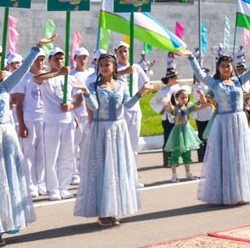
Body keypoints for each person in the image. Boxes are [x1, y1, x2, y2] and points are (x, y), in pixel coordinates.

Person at [71, 53, 155, 227]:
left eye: (106, 65)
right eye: (101, 65)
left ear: (114, 67)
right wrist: (86, 92)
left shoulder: (122, 85)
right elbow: (94, 107)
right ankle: (102, 211)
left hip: (118, 130)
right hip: (101, 129)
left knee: (116, 170)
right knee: (102, 170)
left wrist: (141, 92)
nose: (103, 67)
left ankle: (113, 209)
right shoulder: (94, 86)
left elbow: (127, 105)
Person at [185, 48, 250, 205]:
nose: (226, 68)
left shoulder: (239, 80)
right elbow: (199, 75)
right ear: (218, 68)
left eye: (228, 65)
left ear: (232, 67)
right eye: (223, 66)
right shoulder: (215, 83)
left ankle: (240, 191)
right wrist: (192, 58)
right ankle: (225, 193)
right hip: (224, 123)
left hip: (239, 122)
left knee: (239, 157)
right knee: (225, 157)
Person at [0, 35, 56, 247]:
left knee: (6, 182)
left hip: (6, 138)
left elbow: (24, 69)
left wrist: (37, 47)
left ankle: (3, 225)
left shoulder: (6, 86)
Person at [33, 47, 83, 201]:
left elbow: (79, 99)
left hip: (67, 120)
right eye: (56, 59)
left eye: (62, 59)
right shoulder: (47, 77)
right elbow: (37, 79)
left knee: (67, 155)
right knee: (52, 156)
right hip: (51, 121)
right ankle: (53, 189)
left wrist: (72, 107)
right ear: (50, 61)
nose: (60, 61)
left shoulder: (70, 78)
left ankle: (64, 186)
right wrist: (59, 73)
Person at [14, 49, 47, 198]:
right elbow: (19, 104)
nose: (39, 63)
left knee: (42, 153)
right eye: (36, 60)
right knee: (29, 153)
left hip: (44, 119)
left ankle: (41, 183)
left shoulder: (47, 78)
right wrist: (22, 124)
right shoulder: (24, 79)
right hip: (29, 119)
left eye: (42, 60)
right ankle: (30, 184)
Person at [114, 41, 149, 185]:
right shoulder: (114, 67)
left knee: (133, 146)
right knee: (119, 145)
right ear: (116, 53)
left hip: (134, 110)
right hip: (119, 111)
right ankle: (118, 177)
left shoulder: (136, 67)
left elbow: (146, 84)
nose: (123, 54)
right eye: (120, 51)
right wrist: (123, 72)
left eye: (126, 51)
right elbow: (107, 77)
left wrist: (142, 93)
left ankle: (132, 177)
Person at [163, 86, 203, 183]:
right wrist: (168, 102)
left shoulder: (188, 107)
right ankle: (174, 175)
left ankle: (188, 173)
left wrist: (202, 96)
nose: (184, 99)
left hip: (186, 131)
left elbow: (200, 106)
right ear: (177, 98)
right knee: (175, 153)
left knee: (187, 152)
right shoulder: (176, 108)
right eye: (182, 97)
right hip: (178, 132)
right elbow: (172, 109)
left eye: (186, 97)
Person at [69, 47, 93, 186]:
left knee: (86, 147)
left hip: (88, 114)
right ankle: (74, 173)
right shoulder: (72, 76)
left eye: (85, 57)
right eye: (80, 57)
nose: (83, 60)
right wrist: (73, 115)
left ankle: (83, 172)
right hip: (77, 115)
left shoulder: (91, 75)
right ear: (75, 59)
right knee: (74, 146)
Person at [150, 69, 181, 168]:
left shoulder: (178, 89)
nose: (177, 80)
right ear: (170, 79)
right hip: (167, 118)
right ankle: (166, 160)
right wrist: (161, 109)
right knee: (167, 138)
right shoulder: (162, 91)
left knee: (176, 138)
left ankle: (174, 159)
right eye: (175, 78)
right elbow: (153, 102)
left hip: (176, 116)